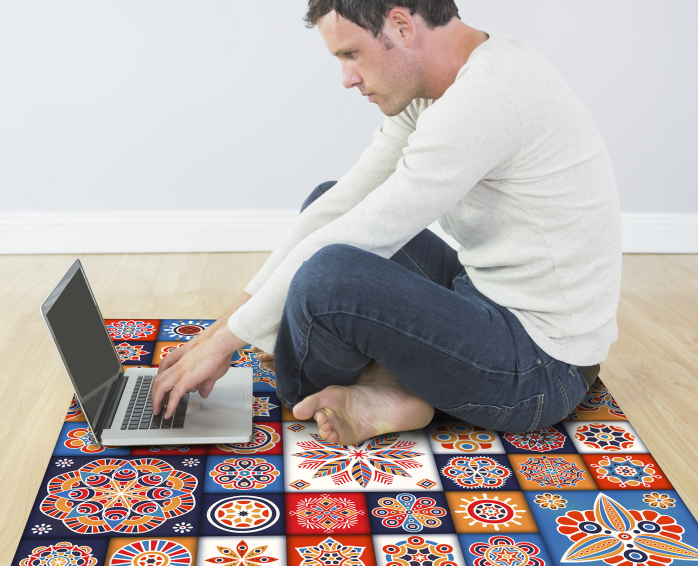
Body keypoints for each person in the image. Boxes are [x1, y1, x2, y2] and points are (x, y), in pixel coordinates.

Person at [152, 0, 622, 447]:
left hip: (542, 369)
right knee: (325, 205)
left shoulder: (486, 99)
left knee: (326, 280)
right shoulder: (444, 85)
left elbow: (363, 236)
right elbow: (339, 207)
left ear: (401, 26)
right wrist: (219, 332)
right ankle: (395, 386)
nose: (347, 78)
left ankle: (388, 384)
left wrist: (225, 345)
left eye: (351, 54)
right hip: (484, 296)